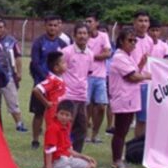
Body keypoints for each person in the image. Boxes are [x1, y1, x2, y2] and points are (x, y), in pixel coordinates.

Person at [108, 28, 151, 168]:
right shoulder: (119, 57)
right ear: (121, 41)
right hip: (123, 98)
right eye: (130, 40)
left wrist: (141, 65)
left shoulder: (128, 56)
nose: (133, 44)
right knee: (121, 131)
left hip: (130, 98)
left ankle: (119, 158)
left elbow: (134, 72)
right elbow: (132, 77)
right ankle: (117, 160)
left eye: (135, 41)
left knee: (124, 130)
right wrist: (147, 75)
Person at [28, 14, 67, 148]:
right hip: (42, 83)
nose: (52, 28)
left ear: (59, 26)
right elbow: (35, 63)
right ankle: (35, 139)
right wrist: (47, 78)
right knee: (38, 113)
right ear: (45, 26)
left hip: (56, 87)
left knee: (57, 113)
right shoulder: (38, 42)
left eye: (55, 25)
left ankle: (56, 139)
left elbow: (64, 63)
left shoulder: (62, 44)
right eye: (50, 25)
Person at [43, 101, 97, 168]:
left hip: (68, 158)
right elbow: (49, 150)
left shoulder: (67, 126)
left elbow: (68, 149)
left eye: (67, 115)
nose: (64, 117)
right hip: (58, 161)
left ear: (71, 117)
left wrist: (83, 156)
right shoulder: (53, 128)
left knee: (91, 165)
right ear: (56, 114)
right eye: (62, 114)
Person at [0, 19, 26, 131]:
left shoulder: (12, 41)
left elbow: (18, 57)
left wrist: (19, 72)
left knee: (12, 100)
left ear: (5, 28)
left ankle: (19, 123)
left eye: (1, 27)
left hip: (8, 76)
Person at [60, 24, 93, 152]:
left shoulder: (90, 53)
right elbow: (60, 71)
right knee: (66, 126)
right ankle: (62, 152)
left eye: (85, 33)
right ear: (74, 36)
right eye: (79, 33)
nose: (82, 36)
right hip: (68, 95)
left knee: (82, 127)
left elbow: (88, 73)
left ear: (88, 36)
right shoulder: (66, 52)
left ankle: (76, 153)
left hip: (82, 96)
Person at [85, 13, 111, 144]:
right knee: (86, 106)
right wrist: (99, 55)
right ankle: (86, 133)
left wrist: (92, 56)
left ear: (96, 23)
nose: (88, 24)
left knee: (101, 106)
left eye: (90, 21)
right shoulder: (83, 36)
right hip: (86, 76)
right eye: (86, 21)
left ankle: (95, 133)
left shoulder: (103, 36)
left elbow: (107, 53)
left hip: (100, 76)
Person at [32, 52, 67, 132]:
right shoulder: (52, 80)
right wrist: (46, 103)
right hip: (53, 113)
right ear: (56, 68)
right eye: (63, 63)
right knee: (53, 132)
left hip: (61, 112)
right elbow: (36, 90)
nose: (66, 64)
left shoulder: (60, 78)